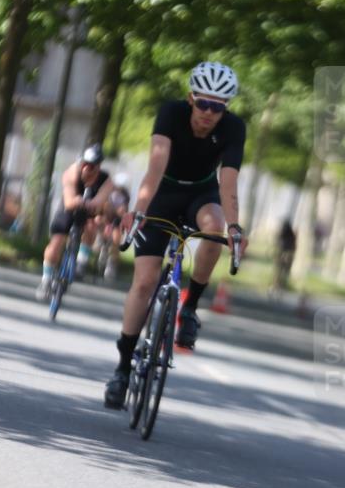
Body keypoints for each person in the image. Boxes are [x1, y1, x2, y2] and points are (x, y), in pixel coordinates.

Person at [104, 61, 248, 410]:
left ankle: (190, 309)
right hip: (163, 194)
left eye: (218, 107)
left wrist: (234, 228)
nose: (209, 113)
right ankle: (123, 369)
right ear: (190, 99)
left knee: (213, 228)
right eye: (203, 104)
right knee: (144, 282)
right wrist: (138, 211)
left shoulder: (233, 128)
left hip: (202, 194)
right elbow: (155, 168)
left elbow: (228, 182)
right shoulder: (170, 113)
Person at [36, 143, 113, 300]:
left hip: (90, 207)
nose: (87, 168)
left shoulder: (106, 180)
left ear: (99, 167)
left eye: (92, 166)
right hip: (69, 207)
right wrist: (79, 201)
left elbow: (100, 200)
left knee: (92, 225)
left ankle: (81, 262)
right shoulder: (72, 172)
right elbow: (70, 201)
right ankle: (46, 279)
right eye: (84, 164)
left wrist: (93, 205)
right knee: (57, 241)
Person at [98, 172, 131, 280]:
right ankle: (102, 249)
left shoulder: (125, 195)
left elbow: (123, 210)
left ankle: (112, 263)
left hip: (117, 220)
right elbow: (104, 206)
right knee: (103, 234)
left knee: (116, 240)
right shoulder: (108, 192)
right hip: (106, 216)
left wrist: (119, 211)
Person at [272, 218, 296, 292]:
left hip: (286, 254)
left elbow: (291, 245)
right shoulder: (285, 233)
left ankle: (280, 284)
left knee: (282, 270)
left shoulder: (289, 234)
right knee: (280, 270)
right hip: (282, 253)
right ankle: (277, 284)